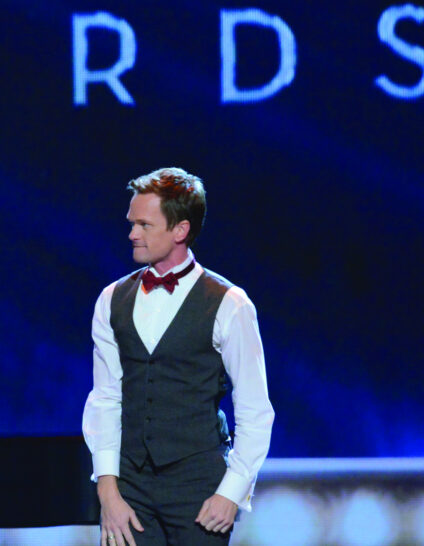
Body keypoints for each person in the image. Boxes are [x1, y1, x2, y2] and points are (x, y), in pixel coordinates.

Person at [82, 168, 274, 546]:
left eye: (143, 224)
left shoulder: (229, 304)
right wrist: (107, 490)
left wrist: (231, 493)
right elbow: (105, 398)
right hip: (130, 487)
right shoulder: (111, 300)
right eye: (131, 223)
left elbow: (255, 408)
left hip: (198, 488)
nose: (132, 233)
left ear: (180, 230)